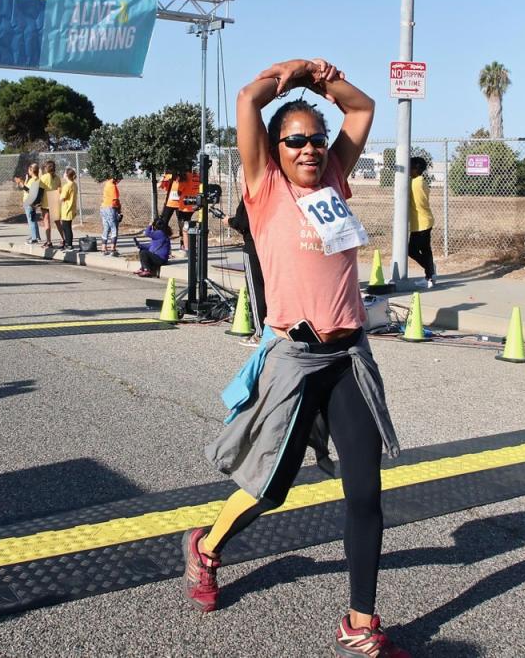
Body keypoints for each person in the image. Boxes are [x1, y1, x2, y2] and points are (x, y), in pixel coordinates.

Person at [181, 58, 408, 658]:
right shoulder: (264, 189)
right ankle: (205, 547)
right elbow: (250, 101)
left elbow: (361, 109)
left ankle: (360, 623)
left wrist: (325, 80)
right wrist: (294, 72)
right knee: (271, 486)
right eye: (296, 140)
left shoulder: (334, 175)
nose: (309, 148)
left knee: (365, 492)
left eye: (316, 138)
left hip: (349, 356)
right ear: (275, 150)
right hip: (294, 358)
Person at [225, 197, 266, 344]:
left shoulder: (251, 196)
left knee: (256, 291)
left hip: (253, 247)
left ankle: (260, 334)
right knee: (270, 290)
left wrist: (229, 221)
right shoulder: (272, 192)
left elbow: (242, 223)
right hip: (271, 246)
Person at [407, 156, 436, 288]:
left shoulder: (414, 183)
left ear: (415, 169)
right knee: (425, 250)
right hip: (424, 220)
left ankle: (430, 272)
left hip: (420, 223)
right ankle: (429, 274)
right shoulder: (422, 181)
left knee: (412, 250)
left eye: (410, 167)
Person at [14, 162, 42, 244]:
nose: (28, 172)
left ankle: (34, 238)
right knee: (33, 219)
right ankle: (36, 236)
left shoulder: (33, 180)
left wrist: (22, 184)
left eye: (29, 170)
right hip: (31, 202)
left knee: (31, 221)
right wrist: (24, 181)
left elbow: (30, 191)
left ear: (31, 170)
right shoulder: (36, 179)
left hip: (29, 202)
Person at [39, 159, 61, 248]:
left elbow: (40, 191)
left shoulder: (44, 177)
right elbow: (59, 189)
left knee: (46, 222)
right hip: (54, 199)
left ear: (46, 168)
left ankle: (49, 242)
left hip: (46, 201)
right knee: (58, 222)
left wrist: (37, 202)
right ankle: (65, 239)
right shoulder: (57, 178)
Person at [99, 176, 121, 256]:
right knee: (114, 228)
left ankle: (103, 249)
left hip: (103, 208)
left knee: (106, 228)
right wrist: (119, 210)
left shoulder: (107, 184)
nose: (119, 181)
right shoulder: (113, 186)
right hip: (110, 208)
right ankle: (113, 249)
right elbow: (114, 201)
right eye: (119, 179)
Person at [58, 167, 78, 251]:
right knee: (67, 227)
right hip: (72, 208)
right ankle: (67, 243)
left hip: (66, 209)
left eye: (64, 173)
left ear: (66, 175)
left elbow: (62, 198)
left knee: (66, 228)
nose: (63, 174)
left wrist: (60, 193)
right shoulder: (74, 184)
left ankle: (69, 245)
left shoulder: (67, 186)